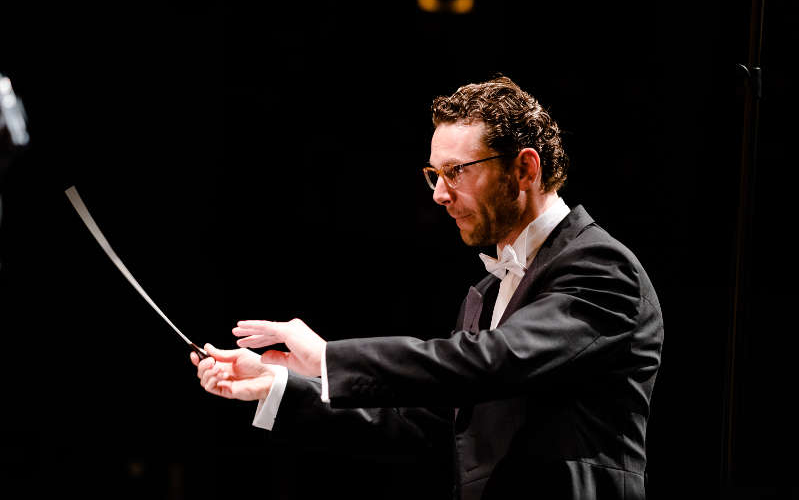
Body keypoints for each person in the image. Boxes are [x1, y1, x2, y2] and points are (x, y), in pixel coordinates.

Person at [191, 76, 664, 499]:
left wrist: (329, 358)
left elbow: (493, 360)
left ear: (524, 169)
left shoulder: (601, 267)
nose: (439, 194)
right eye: (434, 175)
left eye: (457, 171)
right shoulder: (484, 293)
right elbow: (435, 426)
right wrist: (279, 386)